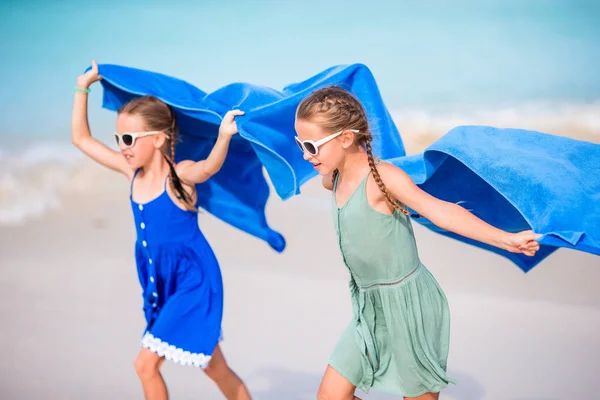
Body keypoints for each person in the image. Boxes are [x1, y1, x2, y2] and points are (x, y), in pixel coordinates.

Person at [293, 86, 542, 400]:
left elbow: (441, 212)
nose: (305, 154)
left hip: (411, 306)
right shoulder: (333, 177)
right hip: (369, 309)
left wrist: (504, 238)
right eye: (300, 144)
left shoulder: (383, 179)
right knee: (329, 396)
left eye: (312, 146)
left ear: (345, 138)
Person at [71, 60, 252, 400]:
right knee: (214, 366)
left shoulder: (178, 176)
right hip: (158, 281)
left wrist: (224, 136)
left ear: (156, 139)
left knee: (145, 365)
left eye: (128, 138)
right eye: (118, 138)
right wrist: (84, 87)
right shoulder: (132, 174)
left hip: (192, 281)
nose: (121, 146)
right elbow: (81, 139)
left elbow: (208, 168)